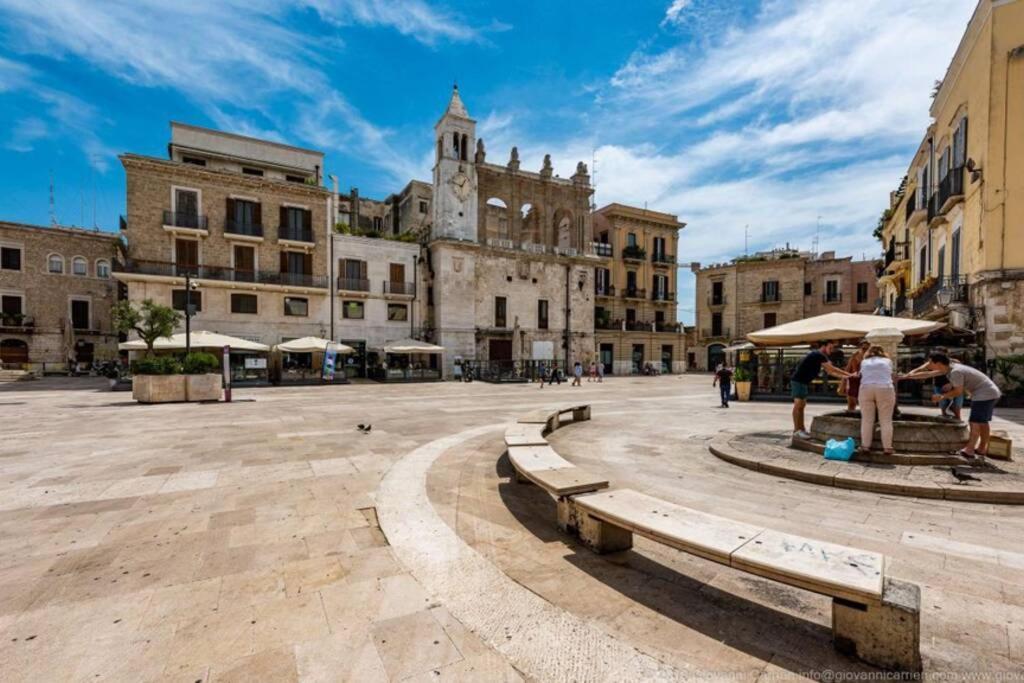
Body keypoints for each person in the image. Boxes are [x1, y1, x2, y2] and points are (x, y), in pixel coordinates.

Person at [925, 352, 1001, 459]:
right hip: (990, 392)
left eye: (930, 362)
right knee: (982, 422)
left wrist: (942, 397)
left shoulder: (955, 372)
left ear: (938, 363)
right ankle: (982, 448)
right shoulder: (951, 368)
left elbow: (958, 392)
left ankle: (969, 450)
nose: (928, 364)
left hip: (984, 394)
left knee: (975, 422)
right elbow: (927, 374)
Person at [790, 340, 853, 439]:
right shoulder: (819, 355)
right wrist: (850, 375)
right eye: (830, 347)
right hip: (799, 381)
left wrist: (845, 377)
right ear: (824, 346)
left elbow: (830, 372)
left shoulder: (818, 356)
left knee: (801, 405)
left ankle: (800, 429)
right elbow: (832, 369)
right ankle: (797, 430)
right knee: (798, 405)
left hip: (802, 382)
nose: (832, 350)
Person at [857, 345, 896, 455]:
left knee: (867, 419)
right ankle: (887, 448)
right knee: (886, 420)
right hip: (885, 388)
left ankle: (865, 446)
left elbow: (860, 375)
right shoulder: (888, 361)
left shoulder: (864, 361)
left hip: (866, 388)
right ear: (883, 352)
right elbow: (890, 374)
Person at [844, 340, 870, 411]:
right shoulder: (856, 355)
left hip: (865, 381)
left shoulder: (870, 357)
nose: (865, 350)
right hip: (855, 380)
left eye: (867, 348)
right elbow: (850, 368)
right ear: (860, 347)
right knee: (852, 403)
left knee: (866, 403)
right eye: (864, 348)